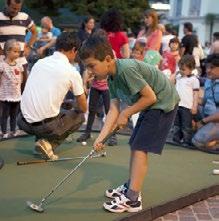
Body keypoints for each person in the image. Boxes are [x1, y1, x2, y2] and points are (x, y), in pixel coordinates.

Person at [79, 36, 179, 213]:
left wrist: (127, 113)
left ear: (108, 59)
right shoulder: (111, 78)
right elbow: (113, 109)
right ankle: (130, 186)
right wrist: (100, 139)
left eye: (91, 65)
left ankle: (133, 199)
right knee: (135, 145)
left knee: (140, 148)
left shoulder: (125, 70)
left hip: (162, 103)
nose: (89, 71)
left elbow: (150, 97)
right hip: (150, 104)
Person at [17, 32, 87, 160]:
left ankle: (41, 142)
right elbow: (83, 107)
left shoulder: (40, 63)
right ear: (73, 50)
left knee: (58, 108)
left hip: (22, 121)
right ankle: (48, 145)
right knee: (80, 116)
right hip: (43, 126)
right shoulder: (71, 71)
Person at [0, 0, 37, 84]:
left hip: (21, 60)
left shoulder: (25, 17)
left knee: (23, 85)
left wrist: (29, 47)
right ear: (7, 4)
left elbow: (35, 32)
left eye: (18, 8)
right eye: (13, 8)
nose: (16, 11)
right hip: (2, 60)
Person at [192, 53, 219, 150]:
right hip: (210, 117)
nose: (208, 70)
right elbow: (205, 102)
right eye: (207, 67)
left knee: (197, 141)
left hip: (216, 120)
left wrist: (202, 122)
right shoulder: (209, 81)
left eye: (212, 68)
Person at [172, 55, 200, 146]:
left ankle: (186, 140)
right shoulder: (179, 77)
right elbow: (170, 83)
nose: (181, 71)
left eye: (183, 69)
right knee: (176, 123)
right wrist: (175, 74)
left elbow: (196, 94)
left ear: (191, 69)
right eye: (180, 68)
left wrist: (195, 106)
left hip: (187, 106)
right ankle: (176, 139)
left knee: (186, 125)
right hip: (177, 104)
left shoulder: (194, 80)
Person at [0, 39, 24, 139]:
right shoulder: (2, 65)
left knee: (14, 115)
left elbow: (21, 78)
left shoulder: (19, 65)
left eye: (19, 52)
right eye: (15, 51)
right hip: (5, 95)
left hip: (16, 95)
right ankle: (4, 131)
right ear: (7, 51)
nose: (17, 54)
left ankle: (13, 131)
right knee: (4, 115)